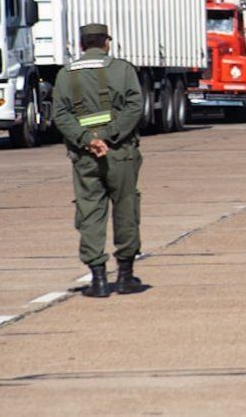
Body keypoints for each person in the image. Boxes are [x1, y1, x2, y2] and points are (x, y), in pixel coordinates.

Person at [51, 23, 147, 298]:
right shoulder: (123, 69)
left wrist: (87, 139)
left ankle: (99, 280)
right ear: (106, 42)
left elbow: (61, 115)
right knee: (126, 208)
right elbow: (134, 107)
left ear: (81, 45)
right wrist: (109, 135)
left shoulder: (65, 75)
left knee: (90, 212)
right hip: (121, 152)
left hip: (85, 156)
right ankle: (126, 277)